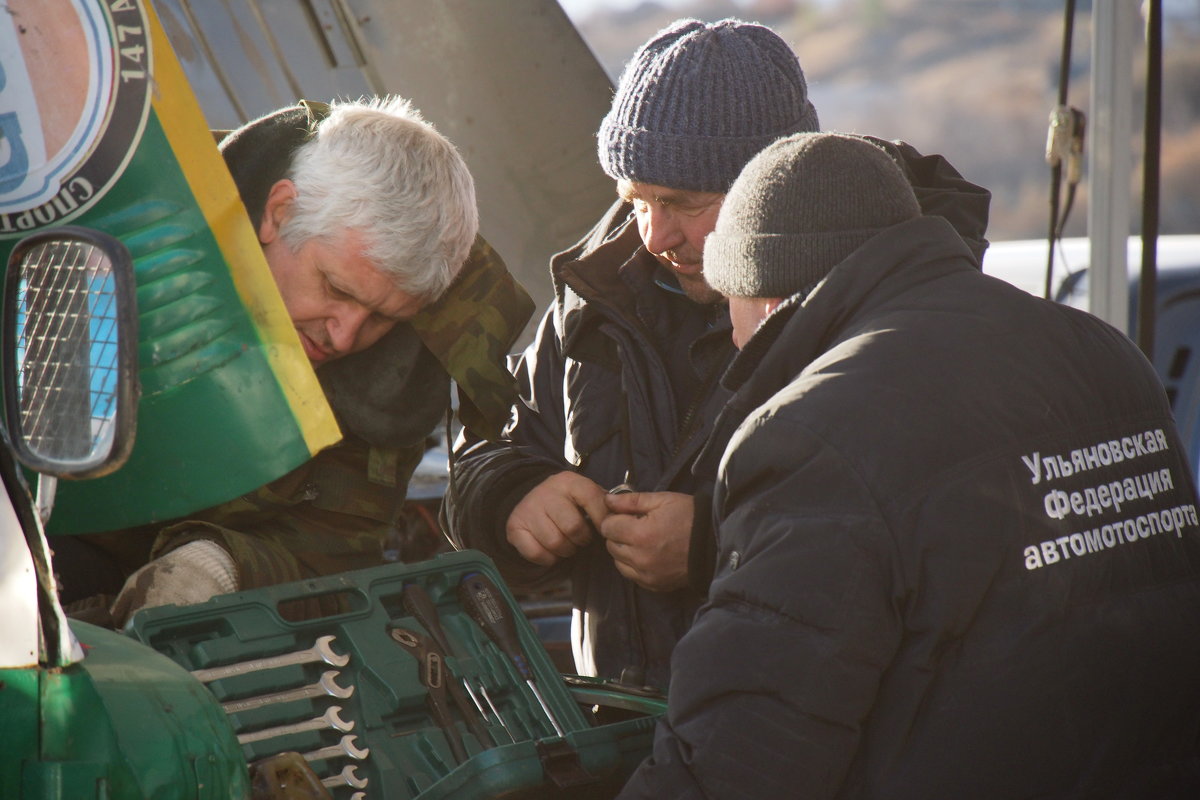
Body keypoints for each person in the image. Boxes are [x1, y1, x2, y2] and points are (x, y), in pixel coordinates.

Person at [617, 132, 1200, 798]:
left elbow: (740, 756)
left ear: (765, 294)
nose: (733, 335)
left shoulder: (815, 434)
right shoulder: (1101, 351)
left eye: (728, 303)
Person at [444, 18, 990, 690]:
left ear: (772, 188)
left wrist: (713, 547)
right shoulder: (594, 301)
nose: (653, 237)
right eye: (636, 200)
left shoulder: (891, 318)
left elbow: (930, 538)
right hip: (629, 735)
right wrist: (511, 496)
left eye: (683, 203)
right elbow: (489, 450)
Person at [58, 97, 533, 626]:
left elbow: (333, 554)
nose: (346, 335)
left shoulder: (396, 376)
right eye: (334, 288)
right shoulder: (106, 228)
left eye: (382, 317)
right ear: (278, 212)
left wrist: (221, 566)